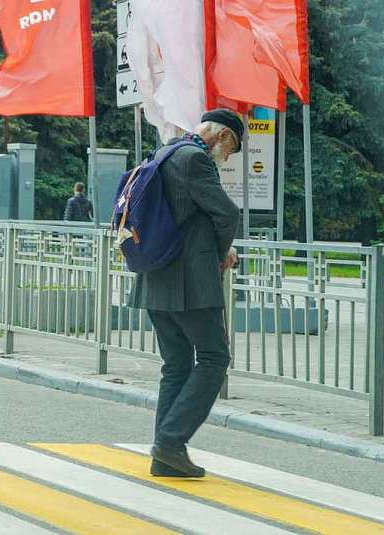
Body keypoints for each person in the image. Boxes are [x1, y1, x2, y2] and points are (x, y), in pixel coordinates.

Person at [130, 109, 241, 478]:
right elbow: (227, 213)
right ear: (222, 136)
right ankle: (170, 443)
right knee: (213, 358)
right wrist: (222, 253)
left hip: (156, 274)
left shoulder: (165, 151)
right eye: (230, 149)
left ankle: (165, 452)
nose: (224, 158)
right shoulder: (195, 158)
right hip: (189, 280)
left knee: (176, 365)